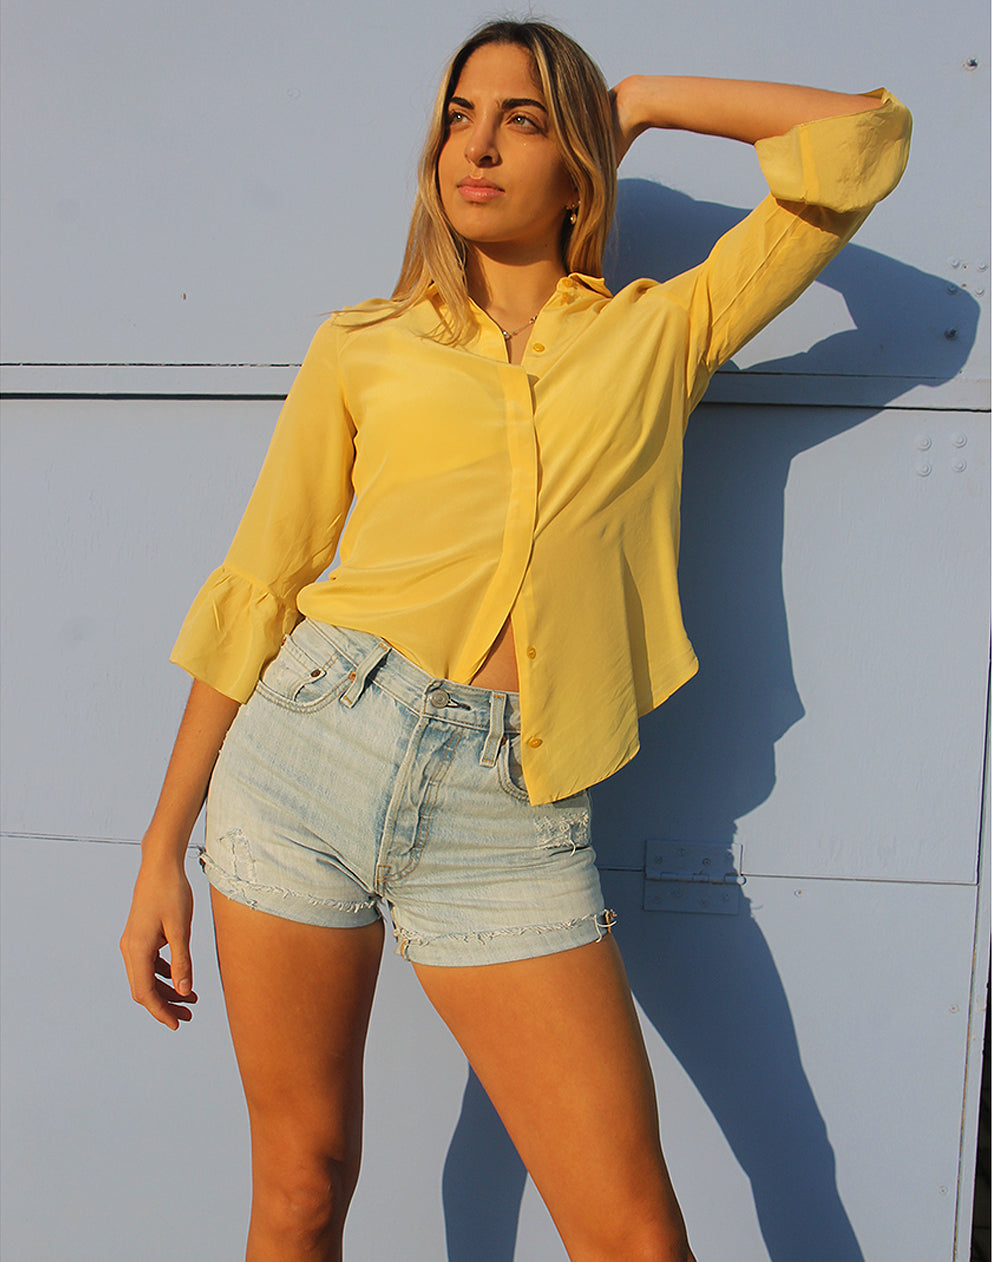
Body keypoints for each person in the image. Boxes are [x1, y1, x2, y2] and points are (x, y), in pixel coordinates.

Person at [120, 19, 910, 1262]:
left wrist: (632, 99)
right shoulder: (363, 345)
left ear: (578, 165)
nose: (476, 145)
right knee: (301, 1186)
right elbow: (259, 585)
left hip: (509, 810)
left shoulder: (663, 330)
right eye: (459, 116)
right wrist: (161, 845)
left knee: (633, 1234)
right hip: (308, 752)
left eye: (523, 119)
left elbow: (861, 142)